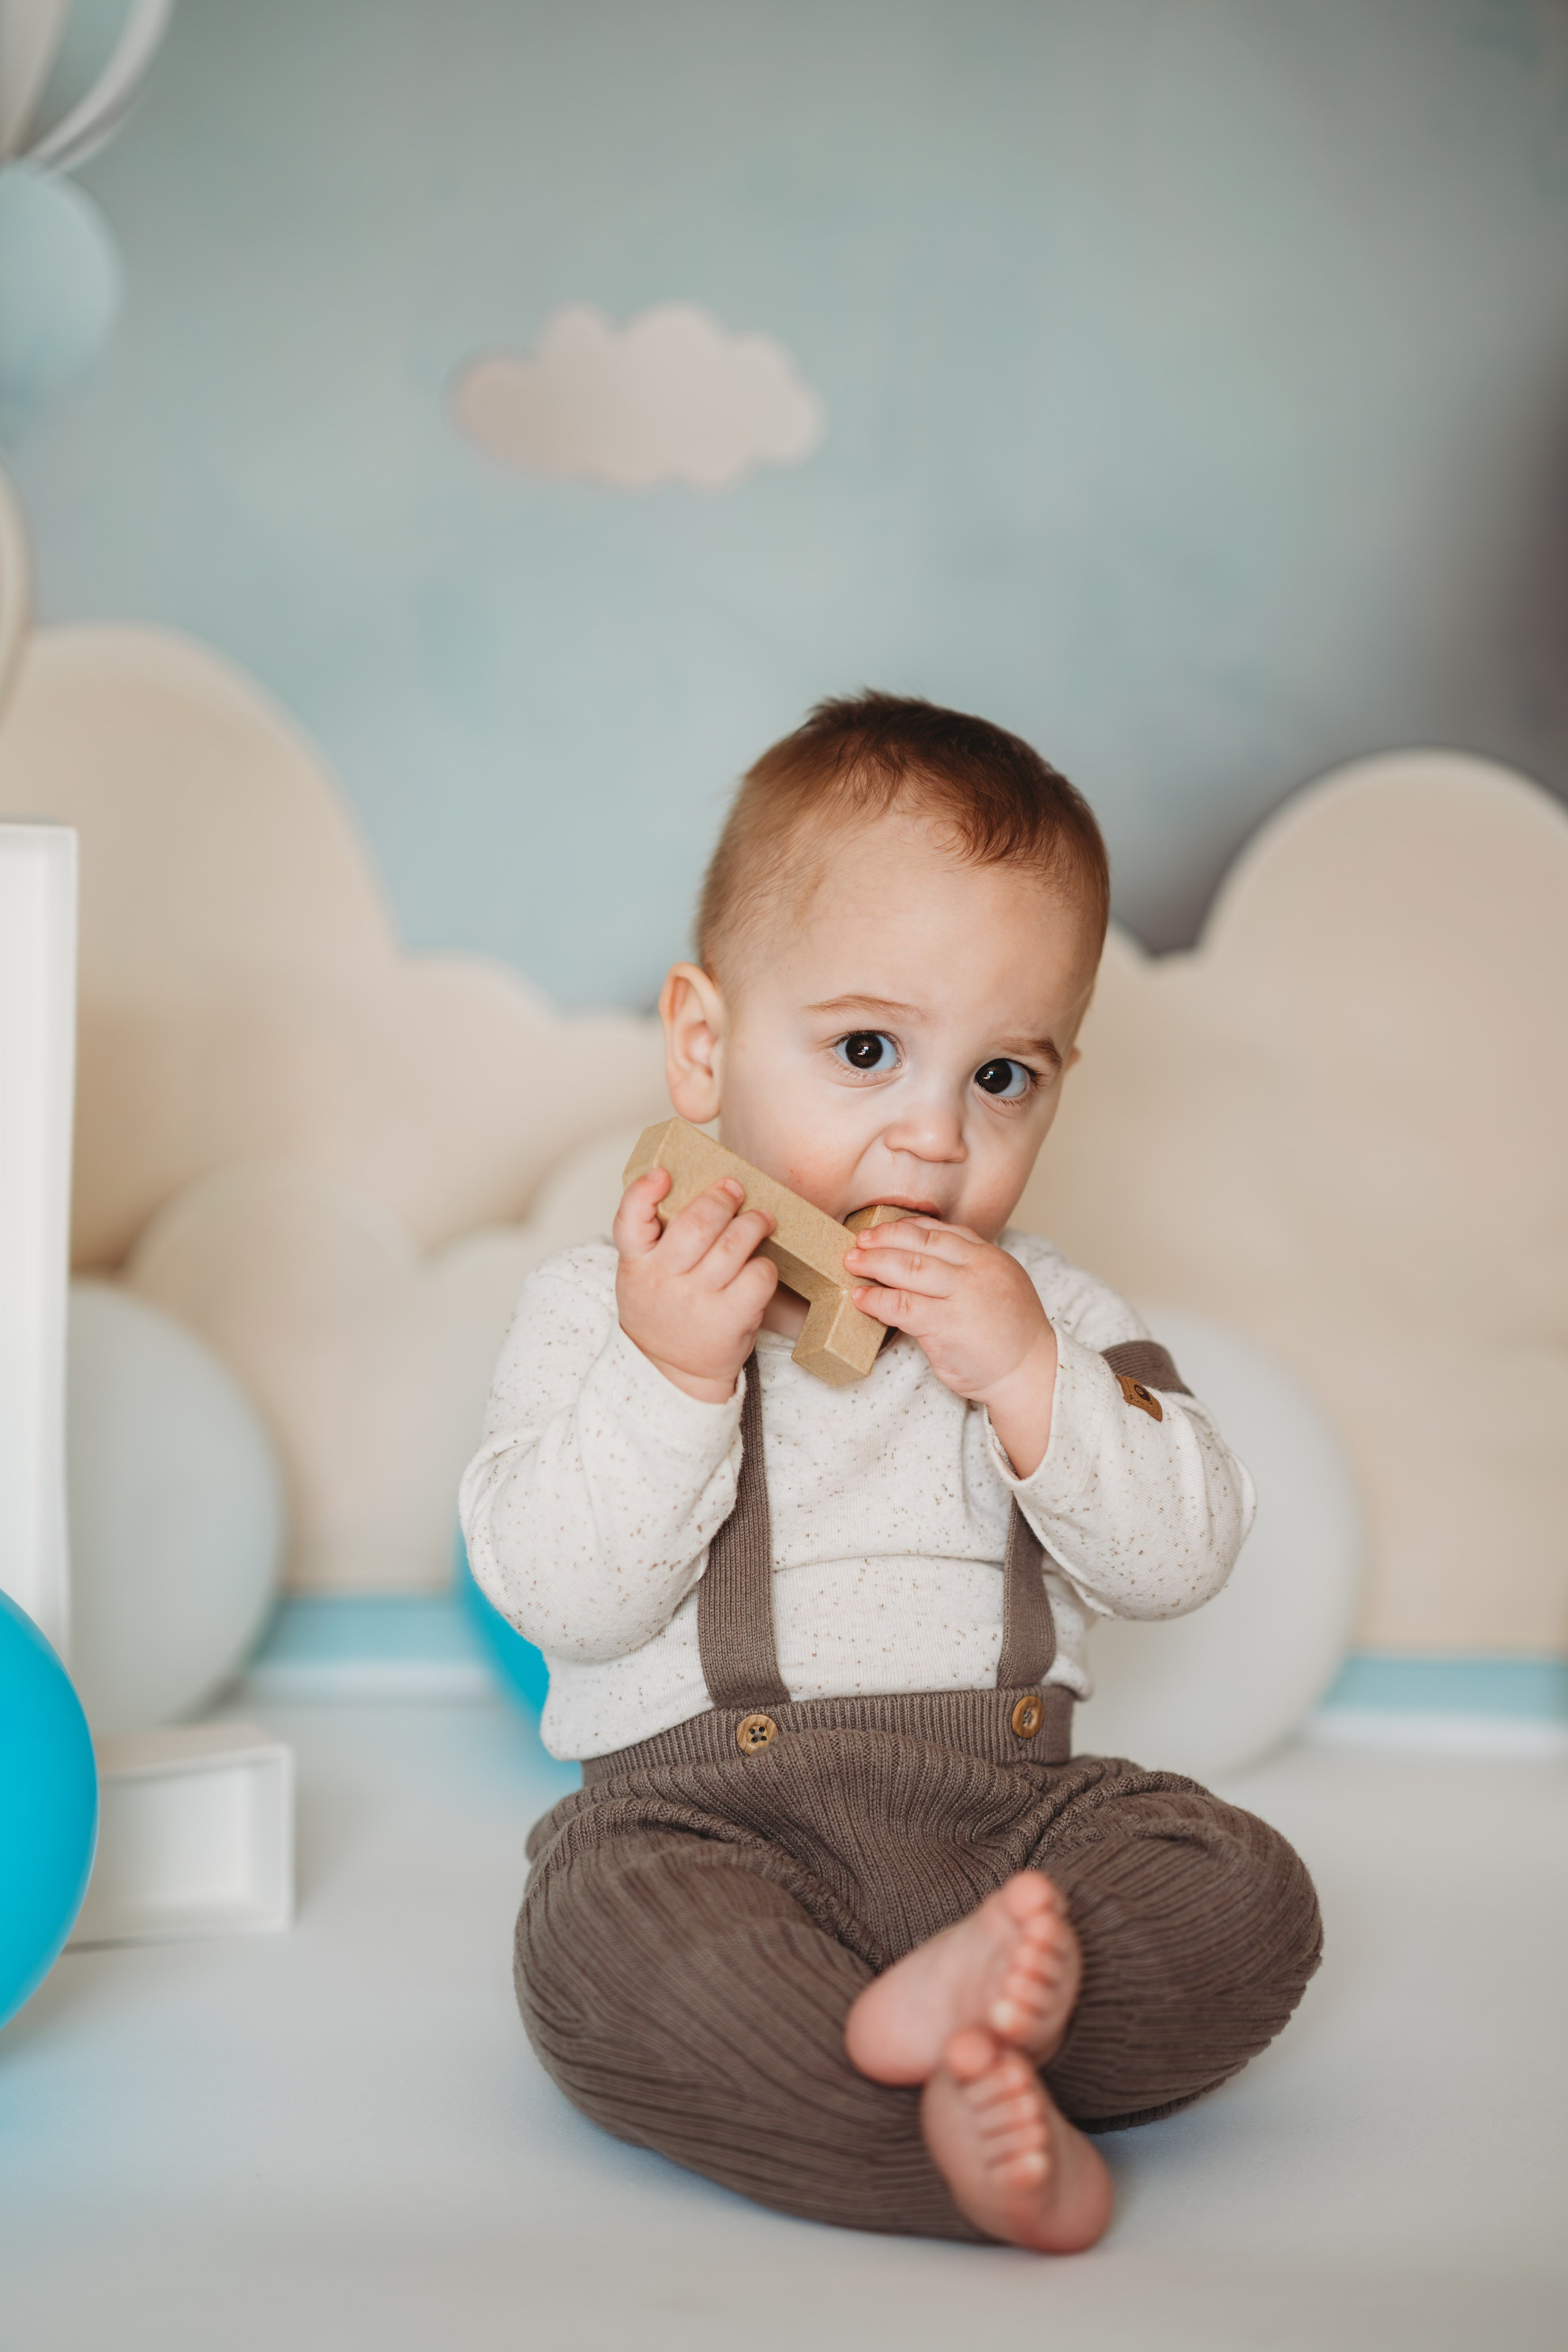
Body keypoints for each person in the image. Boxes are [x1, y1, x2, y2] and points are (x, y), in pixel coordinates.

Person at [459, 694, 1322, 2252]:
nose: (930, 1143)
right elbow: (566, 1603)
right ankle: (955, 2123)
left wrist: (1028, 1380)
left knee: (1241, 1888)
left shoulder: (1047, 1311)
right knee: (600, 1955)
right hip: (699, 1834)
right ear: (704, 1045)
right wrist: (673, 1375)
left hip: (1006, 1831)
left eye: (1002, 1079)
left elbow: (1180, 1555)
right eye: (868, 1052)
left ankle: (951, 2026)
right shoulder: (601, 1309)